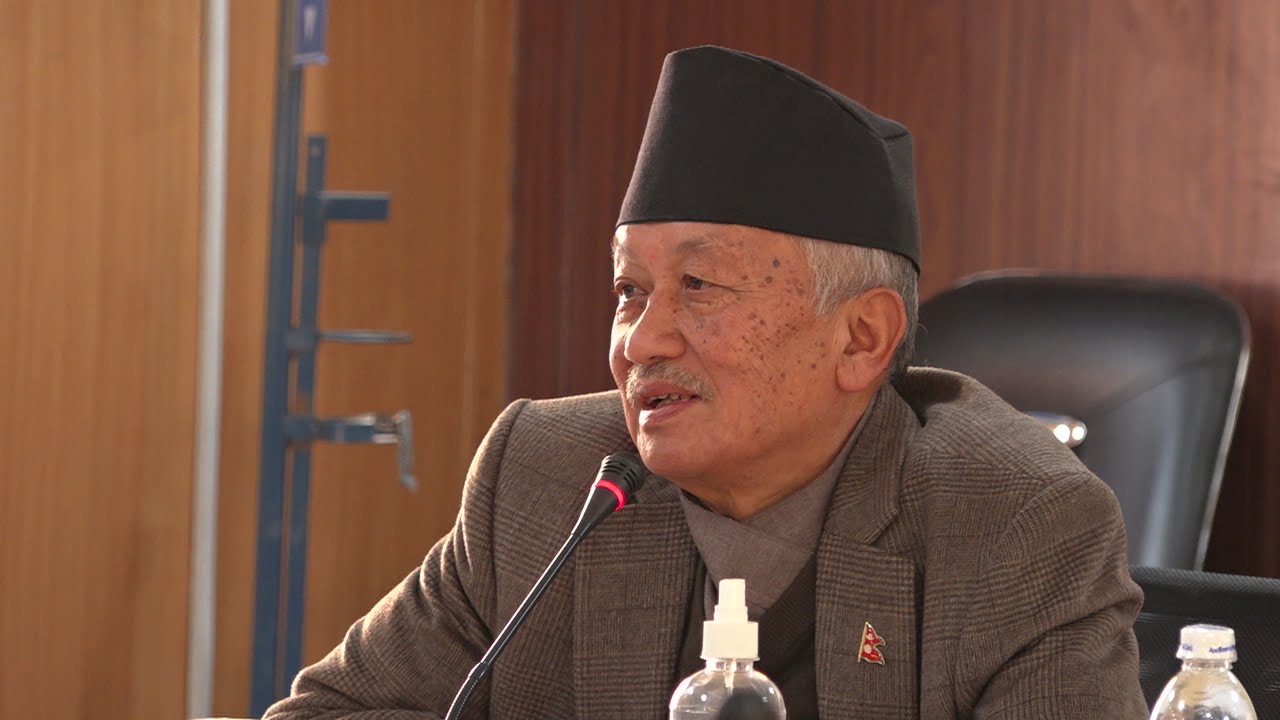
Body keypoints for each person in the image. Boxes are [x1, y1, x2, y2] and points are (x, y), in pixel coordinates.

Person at [265, 45, 1147, 719]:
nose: (640, 341)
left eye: (700, 287)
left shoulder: (1015, 528)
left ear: (863, 338)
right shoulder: (544, 479)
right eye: (628, 291)